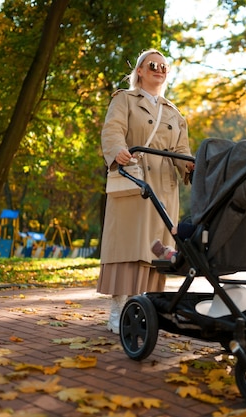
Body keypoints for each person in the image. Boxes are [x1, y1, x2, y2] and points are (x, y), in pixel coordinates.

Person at [98, 49, 194, 334]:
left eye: (164, 66)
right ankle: (118, 310)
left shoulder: (174, 113)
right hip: (133, 181)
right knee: (127, 247)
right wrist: (118, 151)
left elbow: (180, 150)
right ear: (139, 71)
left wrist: (188, 165)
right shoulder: (124, 99)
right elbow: (112, 130)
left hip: (163, 190)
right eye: (153, 65)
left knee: (156, 252)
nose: (160, 69)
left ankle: (146, 309)